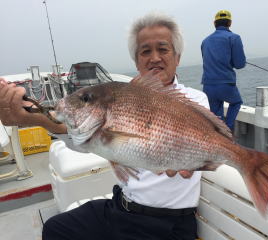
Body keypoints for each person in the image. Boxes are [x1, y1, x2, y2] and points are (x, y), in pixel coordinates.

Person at [0, 12, 209, 240]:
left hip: (165, 225)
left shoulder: (194, 101)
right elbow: (87, 139)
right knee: (55, 229)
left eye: (163, 49)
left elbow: (196, 147)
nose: (154, 57)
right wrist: (34, 116)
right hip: (119, 208)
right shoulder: (123, 97)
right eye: (145, 51)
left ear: (177, 57)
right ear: (137, 61)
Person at [201, 10, 246, 131]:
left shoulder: (205, 41)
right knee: (236, 102)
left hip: (208, 85)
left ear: (214, 23)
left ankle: (219, 136)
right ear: (229, 23)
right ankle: (228, 129)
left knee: (215, 119)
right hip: (225, 84)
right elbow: (240, 64)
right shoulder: (234, 38)